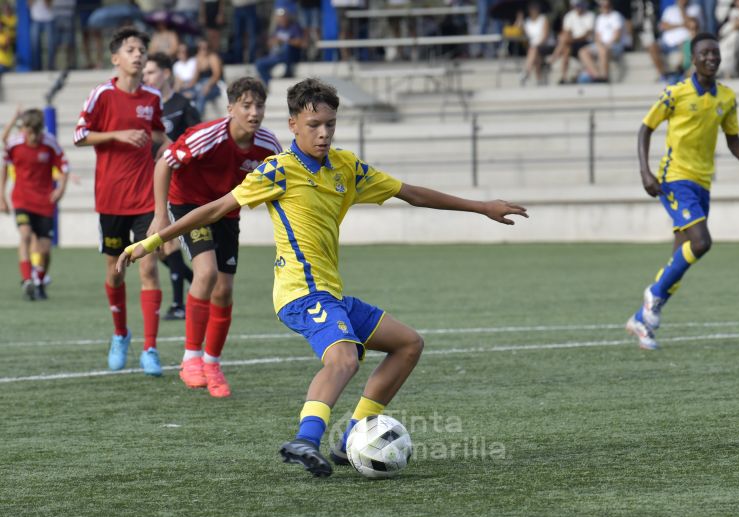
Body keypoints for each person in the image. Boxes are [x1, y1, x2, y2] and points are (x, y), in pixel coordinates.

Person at [117, 77, 528, 475]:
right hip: (299, 292)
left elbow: (411, 193)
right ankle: (304, 439)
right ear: (293, 124)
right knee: (344, 358)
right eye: (314, 125)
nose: (324, 133)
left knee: (408, 344)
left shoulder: (345, 167)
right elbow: (212, 208)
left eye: (330, 124)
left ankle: (350, 437)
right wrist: (148, 243)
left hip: (331, 294)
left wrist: (481, 206)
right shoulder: (277, 170)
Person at [626, 33, 739, 351]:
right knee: (702, 242)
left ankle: (642, 319)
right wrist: (645, 171)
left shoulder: (726, 97)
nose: (711, 58)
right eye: (705, 53)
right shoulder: (675, 94)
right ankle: (652, 297)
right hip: (674, 178)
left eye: (715, 53)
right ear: (693, 59)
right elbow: (645, 128)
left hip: (703, 183)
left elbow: (733, 139)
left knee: (681, 256)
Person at [148, 77, 281, 397]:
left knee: (224, 290)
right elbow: (164, 163)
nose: (254, 112)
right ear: (231, 108)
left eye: (259, 106)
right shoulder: (208, 136)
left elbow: (280, 185)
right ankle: (190, 358)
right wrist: (161, 216)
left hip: (225, 212)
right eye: (246, 106)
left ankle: (212, 363)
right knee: (205, 273)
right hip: (189, 204)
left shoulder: (269, 145)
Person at [73, 27, 167, 376]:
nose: (138, 54)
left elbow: (158, 134)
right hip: (111, 199)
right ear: (116, 58)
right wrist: (116, 134)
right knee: (115, 273)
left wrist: (170, 148)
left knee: (148, 267)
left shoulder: (152, 96)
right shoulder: (102, 94)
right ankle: (120, 335)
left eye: (142, 49)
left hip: (144, 198)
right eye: (131, 49)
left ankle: (151, 349)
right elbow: (79, 134)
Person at [143, 52, 200, 320]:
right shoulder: (144, 106)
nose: (146, 77)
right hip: (147, 181)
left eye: (151, 72)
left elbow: (198, 142)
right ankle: (193, 280)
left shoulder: (182, 105)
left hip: (176, 180)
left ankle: (179, 304)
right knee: (156, 247)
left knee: (167, 242)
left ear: (166, 73)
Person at [1, 108, 71, 300]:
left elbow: (65, 166)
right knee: (25, 234)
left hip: (44, 201)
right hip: (22, 199)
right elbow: (5, 167)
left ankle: (39, 280)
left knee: (45, 249)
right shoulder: (15, 144)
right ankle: (27, 280)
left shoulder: (49, 143)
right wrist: (2, 197)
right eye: (24, 130)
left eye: (30, 131)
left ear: (39, 130)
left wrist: (61, 189)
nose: (27, 135)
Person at [648, 0, 703, 81]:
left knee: (687, 46)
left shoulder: (695, 9)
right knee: (652, 47)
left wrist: (682, 9)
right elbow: (663, 26)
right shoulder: (669, 10)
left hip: (684, 42)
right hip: (666, 44)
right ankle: (663, 75)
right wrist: (682, 25)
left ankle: (681, 75)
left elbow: (692, 25)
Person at [254, 7, 306, 89]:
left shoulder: (294, 26)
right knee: (259, 63)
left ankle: (288, 72)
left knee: (287, 46)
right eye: (279, 17)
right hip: (277, 55)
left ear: (287, 17)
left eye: (283, 17)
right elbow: (270, 42)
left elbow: (301, 42)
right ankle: (269, 84)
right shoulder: (278, 28)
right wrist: (273, 42)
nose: (281, 19)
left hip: (291, 55)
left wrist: (285, 41)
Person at [578, 0, 627, 83]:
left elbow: (617, 36)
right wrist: (600, 44)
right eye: (601, 5)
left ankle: (604, 77)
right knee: (583, 52)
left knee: (602, 50)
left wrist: (606, 45)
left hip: (614, 45)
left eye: (604, 5)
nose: (603, 7)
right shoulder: (599, 18)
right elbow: (597, 37)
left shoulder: (616, 16)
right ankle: (597, 76)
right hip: (602, 45)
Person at [547, 0, 596, 84]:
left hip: (585, 43)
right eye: (577, 5)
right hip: (572, 42)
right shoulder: (569, 16)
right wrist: (570, 39)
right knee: (566, 48)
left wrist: (572, 39)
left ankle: (554, 57)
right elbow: (567, 32)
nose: (579, 7)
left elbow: (587, 35)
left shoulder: (590, 15)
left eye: (580, 5)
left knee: (564, 40)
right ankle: (564, 77)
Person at [518, 1, 555, 86]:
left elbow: (545, 36)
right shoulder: (527, 22)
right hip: (534, 47)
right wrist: (519, 21)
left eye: (535, 9)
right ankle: (539, 79)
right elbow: (524, 36)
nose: (534, 10)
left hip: (547, 45)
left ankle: (526, 72)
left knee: (534, 50)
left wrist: (537, 45)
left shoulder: (543, 19)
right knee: (535, 53)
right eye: (532, 9)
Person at [190, 37, 225, 119]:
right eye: (200, 48)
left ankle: (197, 118)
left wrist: (207, 86)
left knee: (201, 94)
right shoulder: (198, 58)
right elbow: (196, 77)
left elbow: (217, 75)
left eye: (205, 48)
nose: (203, 50)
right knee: (189, 93)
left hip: (215, 84)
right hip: (202, 83)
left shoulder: (213, 57)